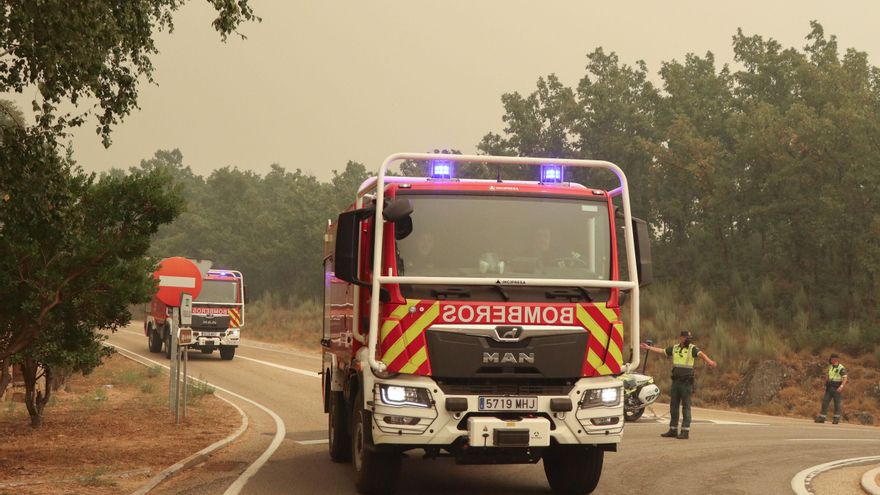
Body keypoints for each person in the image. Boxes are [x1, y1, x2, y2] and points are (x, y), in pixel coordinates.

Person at [641, 331, 717, 439]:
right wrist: (649, 348)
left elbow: (701, 354)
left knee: (686, 407)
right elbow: (663, 351)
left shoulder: (692, 348)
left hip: (686, 383)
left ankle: (685, 431)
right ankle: (673, 430)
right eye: (686, 338)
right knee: (674, 406)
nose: (688, 339)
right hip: (676, 382)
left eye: (689, 338)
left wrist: (709, 361)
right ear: (681, 338)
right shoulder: (675, 348)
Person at [814, 353, 848, 424]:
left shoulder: (841, 368)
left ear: (836, 359)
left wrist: (841, 386)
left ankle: (836, 418)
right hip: (829, 387)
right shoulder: (831, 366)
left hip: (837, 388)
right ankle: (822, 417)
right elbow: (829, 375)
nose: (831, 360)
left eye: (832, 359)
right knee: (825, 402)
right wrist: (825, 382)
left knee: (837, 404)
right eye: (831, 359)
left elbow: (845, 378)